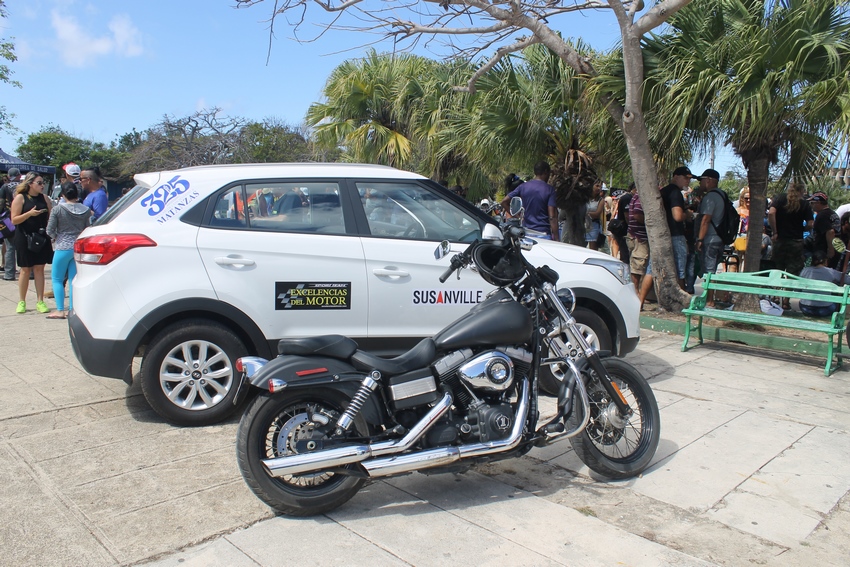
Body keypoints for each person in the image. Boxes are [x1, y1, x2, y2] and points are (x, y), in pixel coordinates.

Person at [45, 182, 91, 319]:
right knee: (73, 280)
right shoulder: (86, 209)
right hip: (77, 247)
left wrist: (56, 238)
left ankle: (60, 310)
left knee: (57, 279)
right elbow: (88, 228)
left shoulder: (58, 210)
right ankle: (72, 308)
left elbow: (49, 230)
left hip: (62, 247)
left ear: (63, 194)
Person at [10, 172, 53, 314]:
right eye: (39, 183)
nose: (42, 186)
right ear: (30, 184)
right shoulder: (20, 198)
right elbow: (14, 220)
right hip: (24, 236)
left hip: (40, 237)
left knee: (39, 269)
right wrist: (29, 214)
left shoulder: (45, 198)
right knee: (25, 269)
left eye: (43, 183)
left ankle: (40, 301)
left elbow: (50, 217)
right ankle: (22, 301)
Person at [501, 161, 559, 240]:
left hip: (526, 234)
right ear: (545, 172)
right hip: (543, 234)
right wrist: (557, 238)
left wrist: (518, 217)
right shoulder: (549, 190)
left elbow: (504, 202)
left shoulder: (523, 187)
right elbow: (552, 217)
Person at [768, 181, 813, 277]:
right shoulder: (805, 204)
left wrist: (775, 231)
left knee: (776, 267)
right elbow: (810, 224)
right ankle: (788, 289)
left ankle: (774, 288)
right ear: (802, 190)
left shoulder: (780, 198)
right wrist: (803, 229)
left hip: (779, 239)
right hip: (796, 241)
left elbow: (771, 213)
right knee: (793, 270)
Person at [695, 169, 726, 308]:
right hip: (720, 238)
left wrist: (700, 240)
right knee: (711, 270)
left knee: (709, 272)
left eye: (701, 180)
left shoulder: (710, 197)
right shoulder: (722, 195)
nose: (700, 183)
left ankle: (710, 301)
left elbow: (706, 220)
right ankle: (710, 299)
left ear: (708, 180)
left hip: (710, 239)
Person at [660, 166, 693, 288]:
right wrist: (688, 214)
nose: (687, 181)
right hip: (676, 235)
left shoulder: (664, 191)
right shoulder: (675, 193)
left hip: (663, 234)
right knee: (680, 272)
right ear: (676, 177)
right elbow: (678, 216)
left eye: (689, 179)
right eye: (685, 178)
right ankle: (681, 298)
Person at [626, 187, 653, 310]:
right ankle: (634, 296)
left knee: (639, 267)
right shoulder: (640, 197)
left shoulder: (637, 196)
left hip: (637, 236)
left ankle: (637, 295)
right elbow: (637, 215)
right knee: (637, 268)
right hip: (639, 238)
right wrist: (651, 223)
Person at [799, 251, 845, 317]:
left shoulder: (805, 271)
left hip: (805, 308)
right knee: (835, 301)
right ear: (825, 261)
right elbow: (847, 279)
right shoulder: (831, 272)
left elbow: (798, 289)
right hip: (825, 310)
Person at [809, 191, 841, 268]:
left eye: (812, 203)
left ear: (818, 202)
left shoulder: (822, 215)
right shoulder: (832, 213)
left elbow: (830, 231)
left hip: (823, 252)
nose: (811, 206)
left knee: (819, 274)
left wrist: (830, 250)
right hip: (835, 249)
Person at [1, 167, 22, 281]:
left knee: (10, 247)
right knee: (25, 246)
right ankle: (30, 272)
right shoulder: (23, 186)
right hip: (23, 218)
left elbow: (1, 203)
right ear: (19, 175)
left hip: (8, 220)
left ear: (9, 176)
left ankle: (9, 274)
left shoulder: (5, 187)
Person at [585, 180, 605, 250]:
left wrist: (585, 213)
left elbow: (597, 214)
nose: (599, 188)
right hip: (583, 225)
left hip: (594, 225)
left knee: (593, 249)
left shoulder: (601, 200)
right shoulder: (584, 198)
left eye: (600, 187)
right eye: (597, 186)